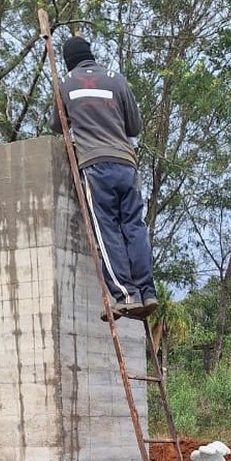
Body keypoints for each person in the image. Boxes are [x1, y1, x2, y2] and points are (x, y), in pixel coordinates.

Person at [52, 36, 157, 320]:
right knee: (134, 227)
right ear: (91, 55)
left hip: (95, 167)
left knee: (106, 230)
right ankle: (147, 291)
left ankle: (126, 295)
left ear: (67, 60)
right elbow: (134, 126)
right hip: (126, 164)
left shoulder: (64, 84)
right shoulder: (117, 79)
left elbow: (58, 126)